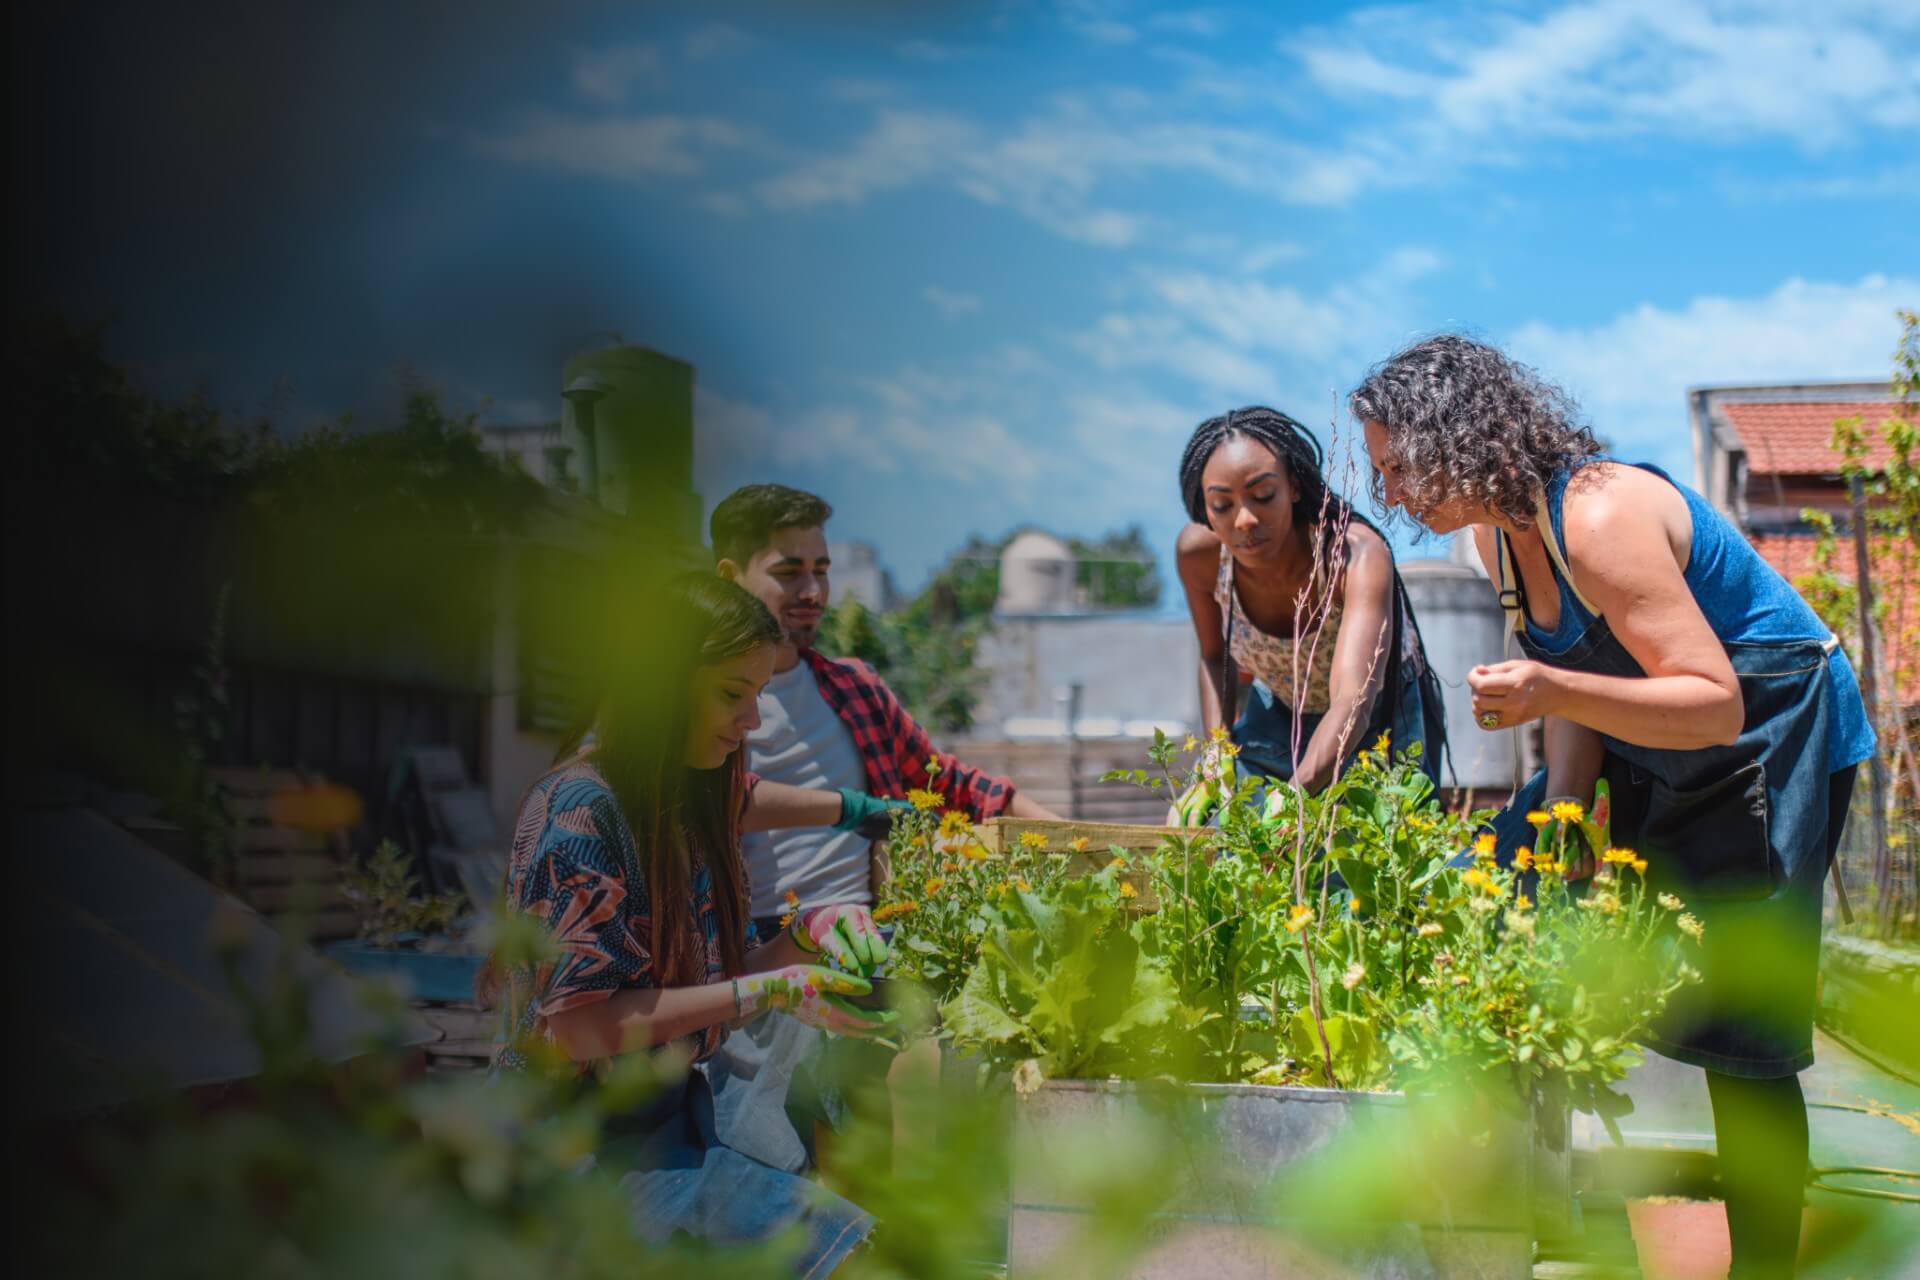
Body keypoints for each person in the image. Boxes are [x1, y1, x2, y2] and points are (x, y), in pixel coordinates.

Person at [1354, 335, 1874, 1280]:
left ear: (1456, 436)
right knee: (1504, 882)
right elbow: (1583, 691)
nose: (1390, 494)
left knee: (1740, 1034)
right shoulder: (1496, 540)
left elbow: (1712, 700)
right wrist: (1558, 820)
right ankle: (1505, 1201)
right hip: (1666, 742)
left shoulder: (1596, 516)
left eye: (1400, 467)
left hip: (1770, 736)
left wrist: (1547, 692)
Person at [488, 573, 898, 1275]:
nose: (753, 722)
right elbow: (574, 1028)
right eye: (731, 694)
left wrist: (807, 935)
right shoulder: (581, 812)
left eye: (758, 696)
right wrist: (768, 992)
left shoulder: (690, 803)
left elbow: (720, 980)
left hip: (669, 1126)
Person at [703, 483, 1059, 1173]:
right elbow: (682, 798)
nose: (811, 590)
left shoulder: (851, 687)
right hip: (759, 947)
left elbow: (947, 784)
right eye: (788, 571)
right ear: (730, 576)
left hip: (871, 936)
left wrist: (1073, 835)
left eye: (822, 569)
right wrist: (850, 807)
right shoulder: (703, 700)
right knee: (827, 1126)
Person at [1176, 406, 1446, 797]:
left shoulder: (1352, 555)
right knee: (1235, 836)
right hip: (1281, 706)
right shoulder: (1199, 555)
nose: (1244, 519)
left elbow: (1353, 699)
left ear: (1295, 487)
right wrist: (1216, 753)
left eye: (1263, 495)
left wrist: (1293, 801)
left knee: (1377, 848)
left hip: (1378, 714)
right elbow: (1214, 656)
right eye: (1222, 505)